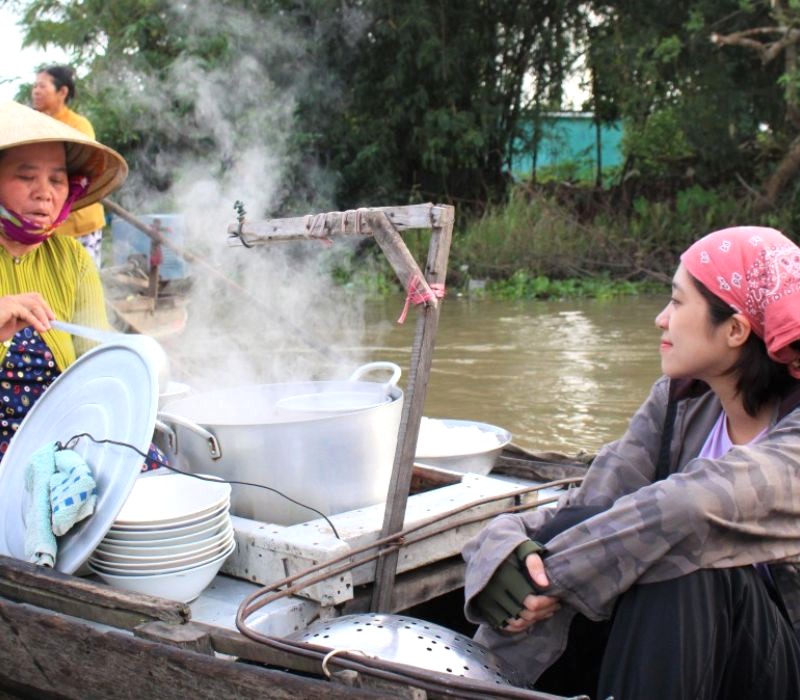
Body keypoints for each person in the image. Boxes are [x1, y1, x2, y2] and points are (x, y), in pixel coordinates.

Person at [463, 225, 800, 698]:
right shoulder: (679, 401)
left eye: (678, 303)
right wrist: (503, 547)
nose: (661, 319)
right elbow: (588, 506)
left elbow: (690, 508)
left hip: (776, 665)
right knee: (597, 529)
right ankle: (486, 684)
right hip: (682, 653)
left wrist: (551, 577)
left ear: (736, 329)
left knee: (684, 557)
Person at [0, 100, 164, 471]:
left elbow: (94, 358)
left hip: (59, 428)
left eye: (57, 180)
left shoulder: (71, 258)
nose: (45, 192)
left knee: (148, 466)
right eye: (26, 177)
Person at [31, 64, 107, 267]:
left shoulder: (78, 126)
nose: (36, 91)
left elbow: (81, 168)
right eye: (35, 86)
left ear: (62, 91)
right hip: (42, 224)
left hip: (79, 223)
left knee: (82, 288)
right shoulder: (31, 125)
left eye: (42, 86)